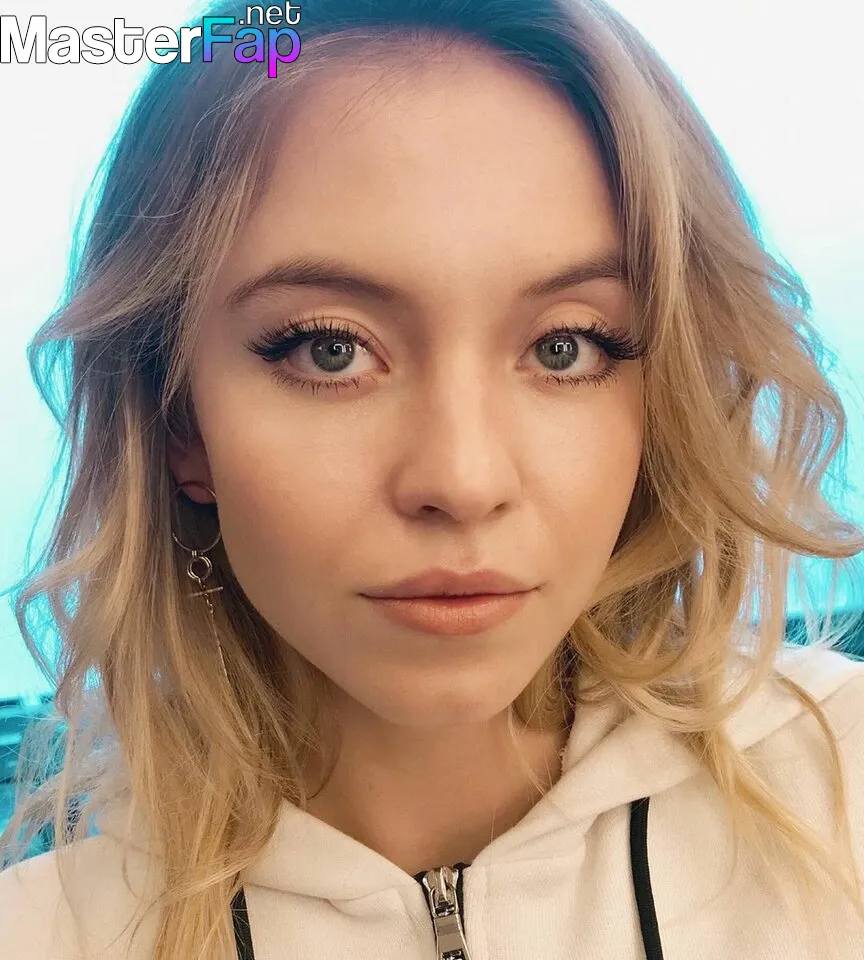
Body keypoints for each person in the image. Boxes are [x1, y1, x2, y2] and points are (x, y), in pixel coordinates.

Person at [1, 1, 863, 957]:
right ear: (179, 424)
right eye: (329, 350)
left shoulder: (845, 783)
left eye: (567, 345)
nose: (463, 478)